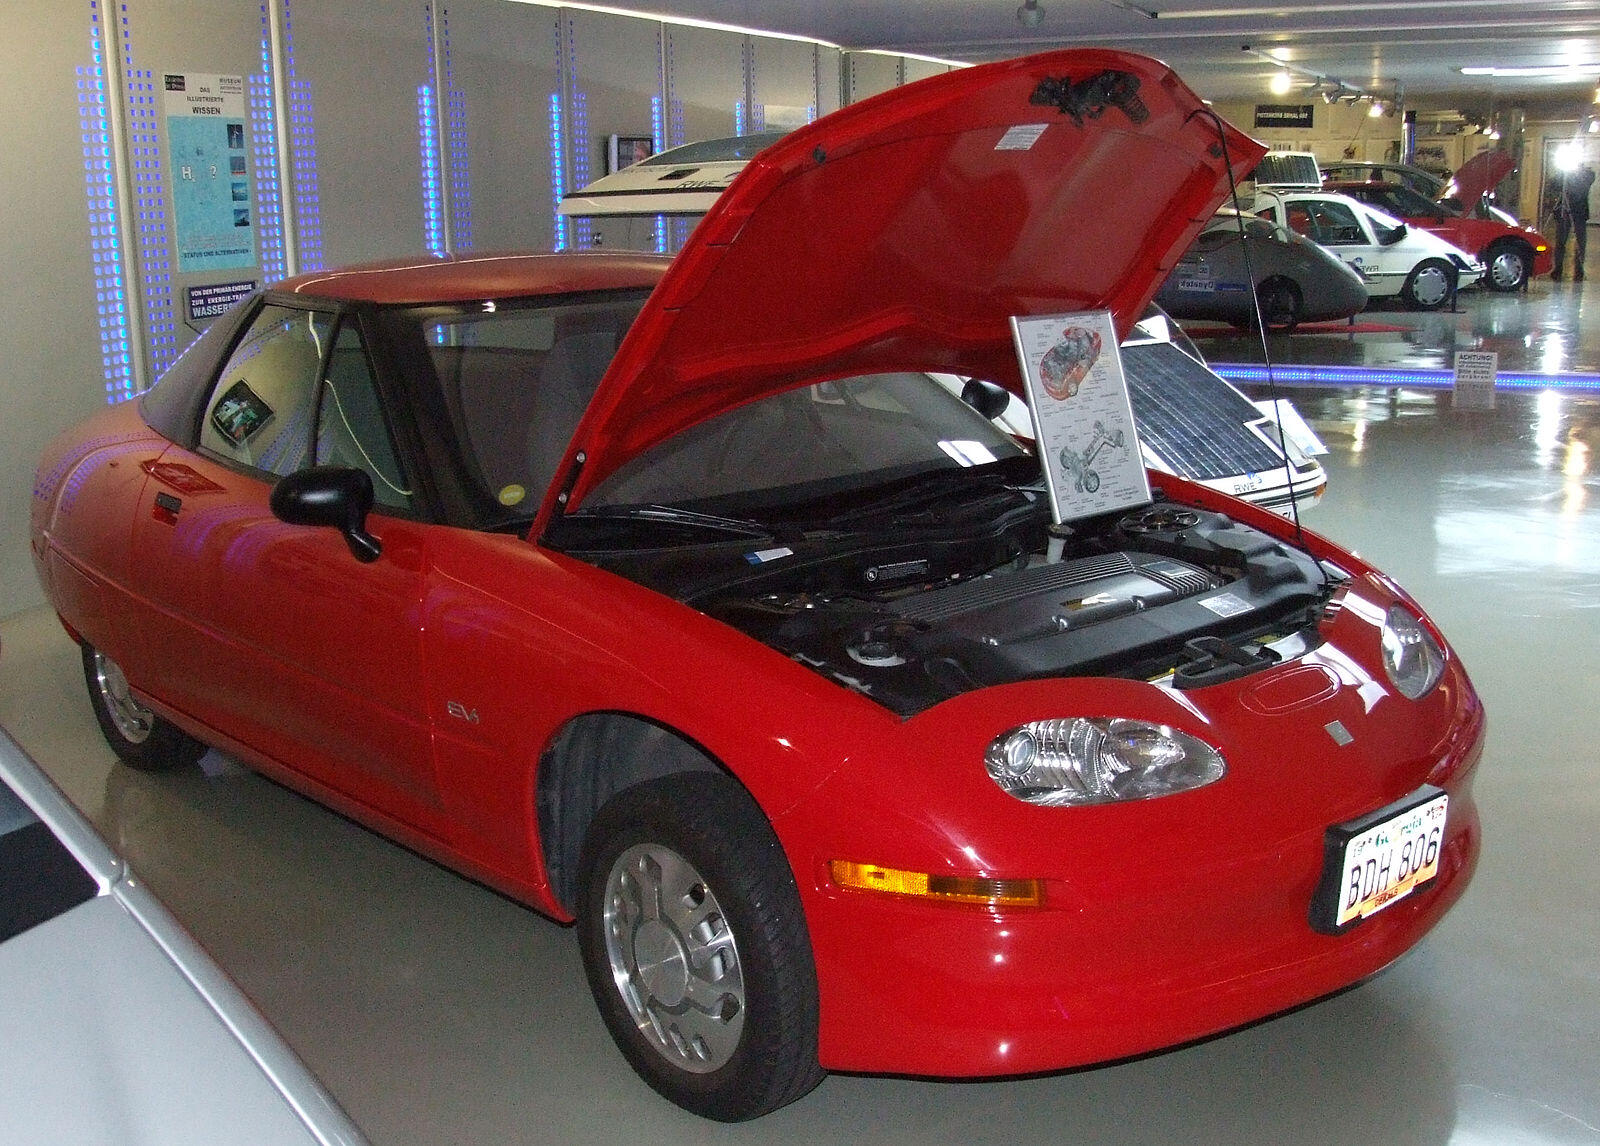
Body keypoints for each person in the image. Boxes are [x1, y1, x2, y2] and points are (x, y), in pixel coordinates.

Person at [1552, 161, 1595, 281]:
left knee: (1580, 242)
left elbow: (1583, 187)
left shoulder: (1588, 174)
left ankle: (1579, 270)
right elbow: (1554, 184)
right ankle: (1558, 268)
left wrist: (1573, 174)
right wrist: (1563, 173)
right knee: (1560, 241)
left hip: (1579, 213)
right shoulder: (1564, 174)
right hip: (1564, 212)